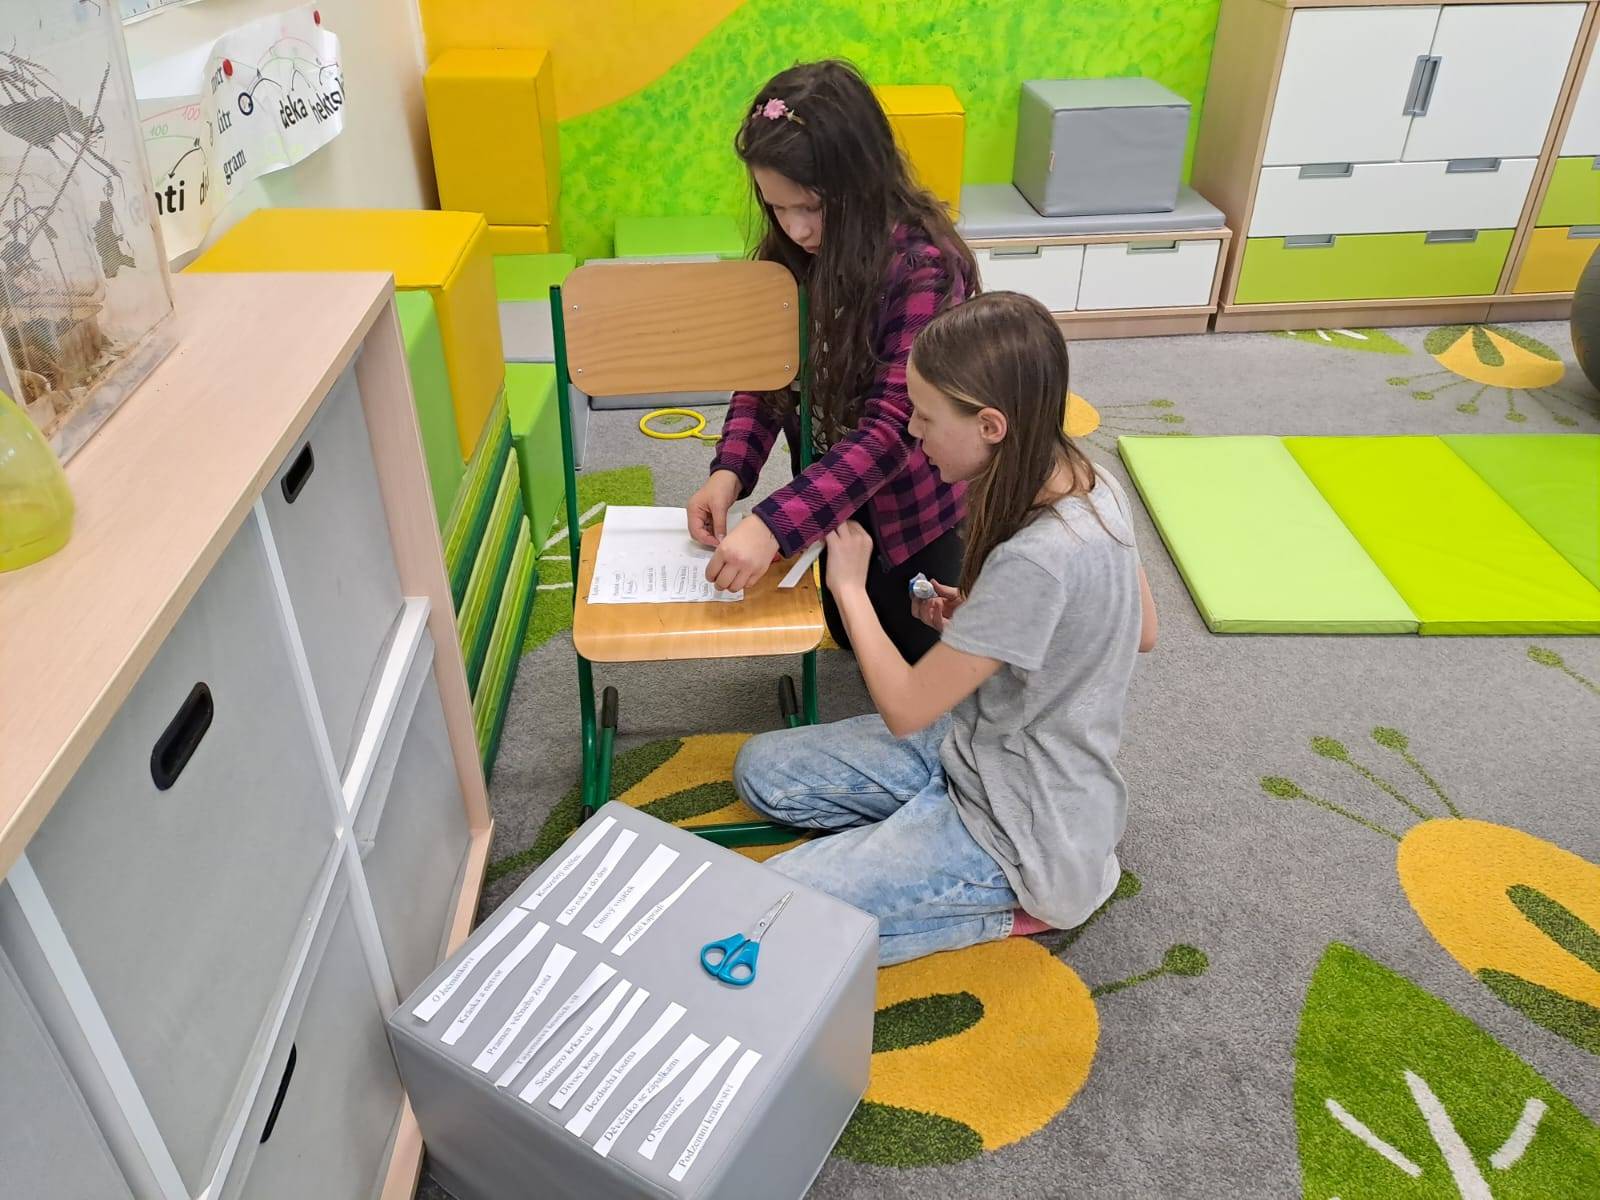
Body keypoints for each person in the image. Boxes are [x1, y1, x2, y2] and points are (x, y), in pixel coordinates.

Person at [732, 292, 1158, 965]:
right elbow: (1141, 628)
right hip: (978, 751)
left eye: (926, 417)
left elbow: (905, 708)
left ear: (990, 425)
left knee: (773, 913)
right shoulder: (1092, 479)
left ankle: (1020, 904)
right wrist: (987, 619)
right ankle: (925, 844)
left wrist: (849, 588)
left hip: (1019, 828)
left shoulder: (1037, 559)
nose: (912, 432)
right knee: (764, 772)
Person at [687, 59, 977, 663]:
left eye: (812, 207)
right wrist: (730, 470)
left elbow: (893, 429)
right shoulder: (790, 255)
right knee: (845, 629)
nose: (796, 229)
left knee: (921, 653)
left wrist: (772, 524)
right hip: (832, 488)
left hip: (912, 507)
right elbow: (766, 375)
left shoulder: (925, 267)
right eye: (777, 207)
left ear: (863, 180)